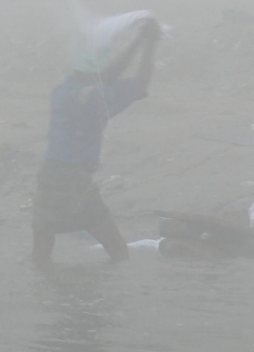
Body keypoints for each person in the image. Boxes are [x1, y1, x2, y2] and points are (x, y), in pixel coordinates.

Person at [32, 14, 161, 269]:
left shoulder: (64, 90)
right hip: (73, 181)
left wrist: (138, 40)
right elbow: (140, 84)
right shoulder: (94, 101)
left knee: (41, 258)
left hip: (49, 175)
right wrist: (149, 45)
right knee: (118, 250)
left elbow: (107, 74)